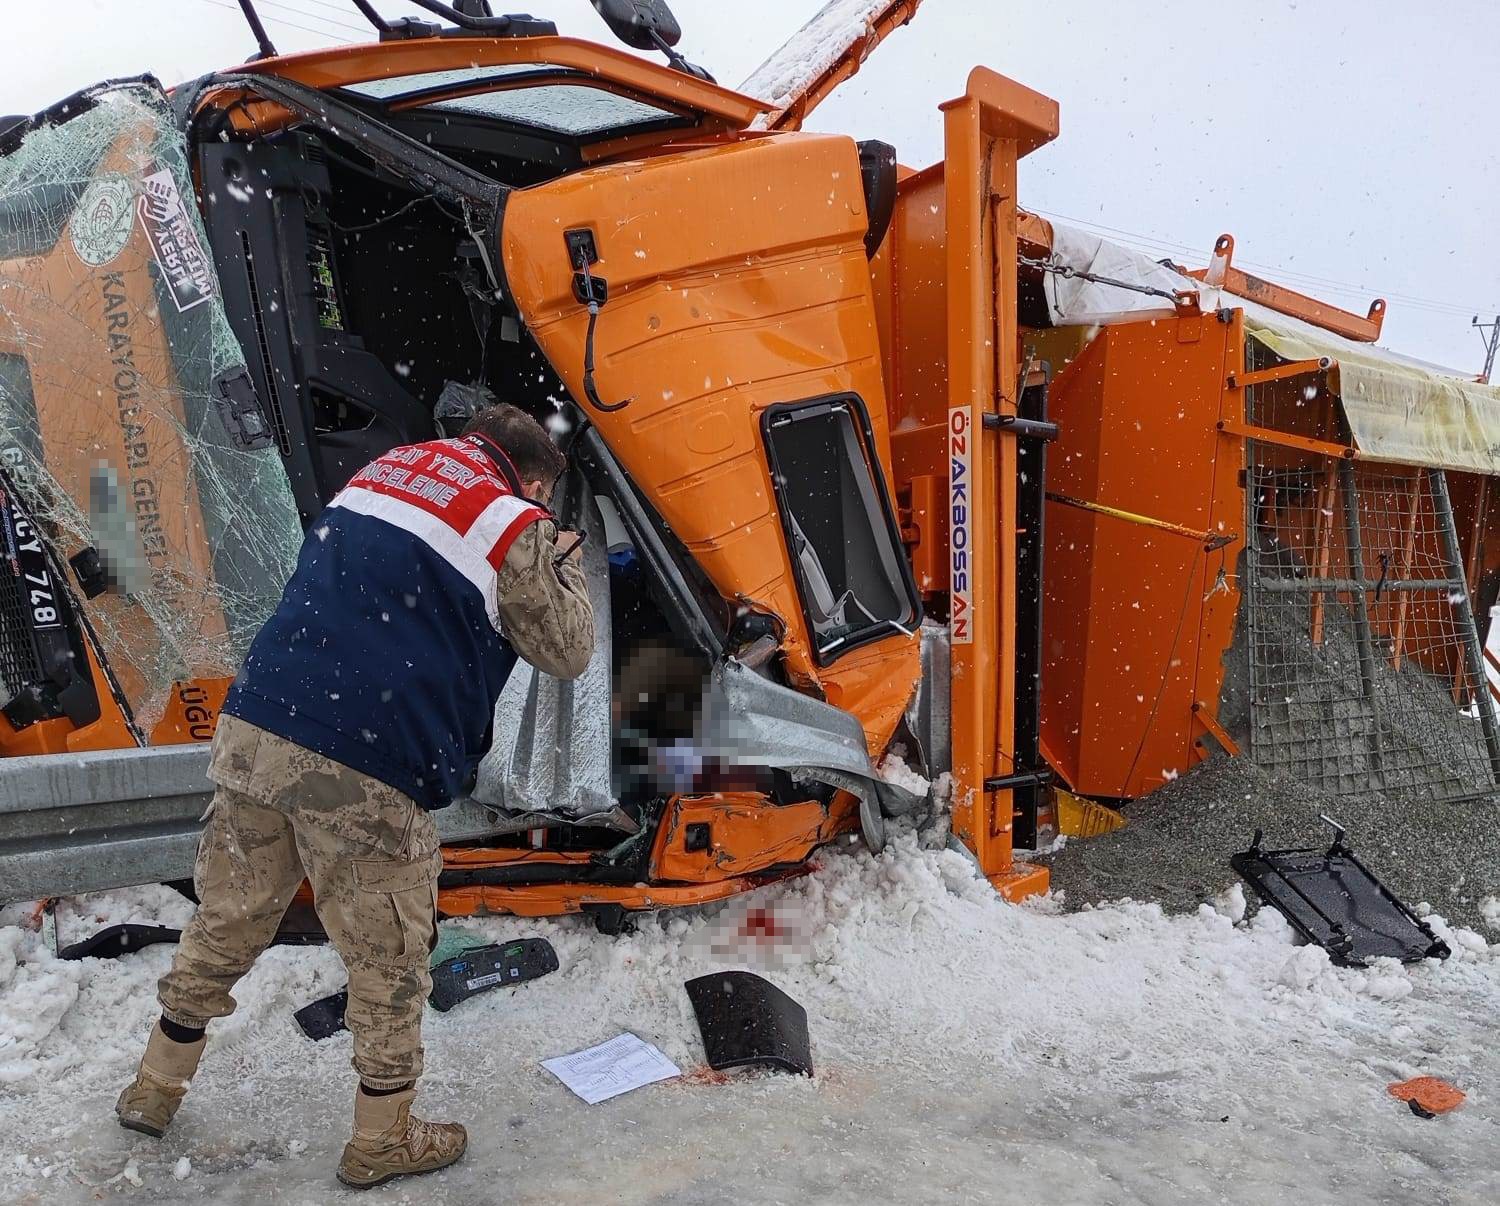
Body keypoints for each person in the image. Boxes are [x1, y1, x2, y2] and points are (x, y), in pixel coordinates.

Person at [115, 403, 594, 1189]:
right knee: (388, 956)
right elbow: (568, 649)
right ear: (534, 477)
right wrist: (560, 559)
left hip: (261, 717)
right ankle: (383, 1136)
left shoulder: (385, 470)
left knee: (230, 914)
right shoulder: (513, 521)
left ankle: (155, 1086)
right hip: (366, 752)